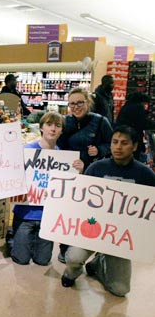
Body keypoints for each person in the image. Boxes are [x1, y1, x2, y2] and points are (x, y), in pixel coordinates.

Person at [61, 125, 155, 296]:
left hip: (121, 237)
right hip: (92, 228)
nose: (118, 147)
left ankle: (97, 264)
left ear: (134, 146)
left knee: (120, 290)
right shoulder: (96, 168)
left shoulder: (146, 175)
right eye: (115, 142)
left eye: (124, 143)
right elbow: (80, 202)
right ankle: (72, 272)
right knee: (73, 257)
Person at [10, 112, 83, 266]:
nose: (53, 129)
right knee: (21, 259)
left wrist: (79, 171)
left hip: (48, 217)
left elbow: (69, 187)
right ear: (41, 127)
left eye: (57, 125)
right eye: (49, 124)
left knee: (42, 261)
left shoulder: (64, 158)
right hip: (25, 214)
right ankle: (12, 238)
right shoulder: (26, 150)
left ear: (62, 130)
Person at [56, 87, 113, 263]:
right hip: (71, 176)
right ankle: (65, 248)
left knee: (88, 215)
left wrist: (99, 150)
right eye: (72, 104)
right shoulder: (66, 122)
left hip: (92, 176)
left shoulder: (101, 121)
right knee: (68, 213)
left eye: (80, 102)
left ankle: (85, 250)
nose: (76, 107)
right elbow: (59, 146)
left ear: (87, 102)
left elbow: (113, 145)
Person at [115, 91, 155, 161]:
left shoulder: (127, 106)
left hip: (123, 136)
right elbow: (144, 123)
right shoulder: (138, 108)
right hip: (132, 138)